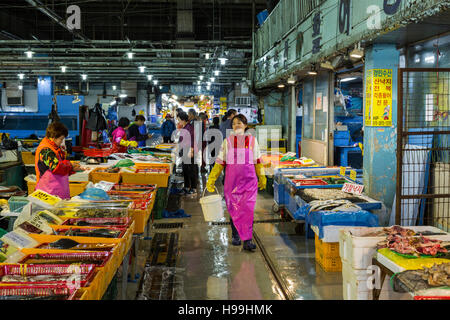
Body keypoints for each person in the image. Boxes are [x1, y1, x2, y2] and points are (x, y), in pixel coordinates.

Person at [206, 114, 267, 251]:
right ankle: (235, 235)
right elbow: (220, 163)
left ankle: (247, 240)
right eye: (234, 123)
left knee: (248, 210)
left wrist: (262, 177)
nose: (237, 125)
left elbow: (258, 161)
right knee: (234, 208)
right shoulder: (227, 142)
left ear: (245, 125)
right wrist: (211, 179)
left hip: (249, 181)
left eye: (239, 123)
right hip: (232, 182)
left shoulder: (252, 141)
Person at [35, 122, 85, 199]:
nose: (62, 141)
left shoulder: (55, 148)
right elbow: (56, 167)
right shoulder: (45, 150)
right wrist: (71, 166)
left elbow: (61, 166)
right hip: (48, 193)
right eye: (61, 139)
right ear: (54, 137)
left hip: (57, 191)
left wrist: (72, 169)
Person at [177, 112, 198, 195]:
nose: (178, 122)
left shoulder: (190, 128)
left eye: (179, 120)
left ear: (183, 120)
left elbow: (192, 140)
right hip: (184, 150)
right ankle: (186, 187)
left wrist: (191, 150)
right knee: (185, 169)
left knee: (191, 170)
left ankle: (193, 188)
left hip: (189, 151)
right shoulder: (185, 127)